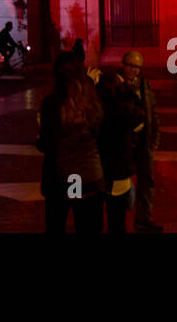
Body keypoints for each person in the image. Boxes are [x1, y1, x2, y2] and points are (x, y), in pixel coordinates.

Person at [38, 53, 106, 233]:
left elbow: (47, 143)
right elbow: (101, 134)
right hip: (90, 176)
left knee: (56, 226)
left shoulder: (52, 103)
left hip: (61, 177)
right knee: (89, 227)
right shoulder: (93, 100)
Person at [98, 49, 162, 232]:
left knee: (147, 181)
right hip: (123, 145)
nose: (135, 70)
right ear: (124, 65)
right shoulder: (113, 86)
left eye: (138, 67)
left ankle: (143, 217)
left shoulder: (144, 85)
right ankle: (118, 219)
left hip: (143, 142)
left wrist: (154, 138)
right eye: (132, 66)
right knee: (120, 185)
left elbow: (153, 113)